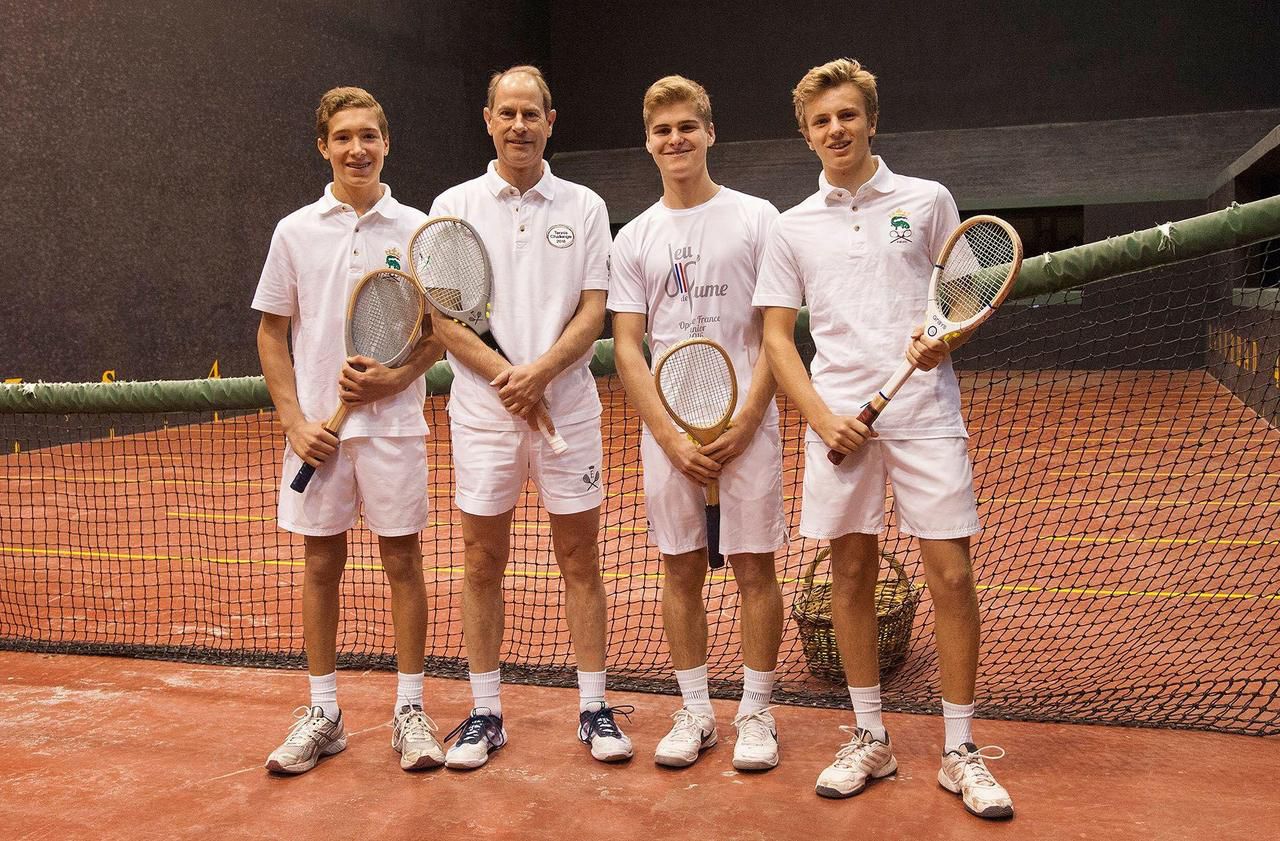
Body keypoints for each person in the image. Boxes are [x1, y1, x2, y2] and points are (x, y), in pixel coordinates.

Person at [754, 58, 1014, 818]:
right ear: (806, 135)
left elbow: (960, 297)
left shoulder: (927, 200)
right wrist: (818, 414)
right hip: (840, 415)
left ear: (871, 120)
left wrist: (947, 340)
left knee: (953, 576)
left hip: (924, 409)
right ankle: (870, 735)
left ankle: (960, 748)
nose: (836, 129)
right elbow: (776, 338)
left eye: (847, 115)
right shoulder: (791, 225)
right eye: (820, 121)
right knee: (851, 575)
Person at [428, 65, 632, 768]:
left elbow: (593, 310)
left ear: (552, 120)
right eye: (507, 113)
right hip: (483, 417)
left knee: (581, 557)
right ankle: (486, 712)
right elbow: (447, 319)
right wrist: (507, 380)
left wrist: (540, 373)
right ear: (488, 118)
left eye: (531, 114)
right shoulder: (452, 206)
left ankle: (595, 707)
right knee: (482, 560)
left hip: (568, 408)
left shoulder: (583, 206)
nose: (519, 125)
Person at [254, 87, 446, 774]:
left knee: (403, 563)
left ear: (386, 142)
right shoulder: (294, 231)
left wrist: (396, 380)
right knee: (319, 566)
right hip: (319, 436)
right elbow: (272, 335)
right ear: (323, 146)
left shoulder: (419, 229)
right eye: (343, 137)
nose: (356, 148)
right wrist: (295, 422)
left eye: (369, 134)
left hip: (395, 429)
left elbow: (437, 336)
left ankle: (410, 709)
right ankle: (324, 711)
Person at [608, 76, 786, 771]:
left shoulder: (757, 218)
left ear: (711, 132)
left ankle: (757, 712)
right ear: (648, 143)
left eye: (687, 126)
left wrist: (746, 421)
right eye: (662, 130)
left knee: (754, 568)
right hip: (671, 435)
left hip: (749, 427)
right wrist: (672, 436)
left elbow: (777, 331)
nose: (675, 139)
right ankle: (696, 710)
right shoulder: (637, 237)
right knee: (679, 568)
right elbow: (627, 346)